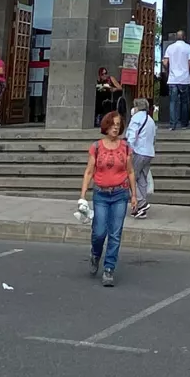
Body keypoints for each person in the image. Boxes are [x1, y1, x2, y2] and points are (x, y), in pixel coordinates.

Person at [76, 110, 141, 286]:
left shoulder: (126, 147)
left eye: (118, 125)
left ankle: (109, 269)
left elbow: (130, 171)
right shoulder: (96, 147)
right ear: (106, 125)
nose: (115, 128)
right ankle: (96, 254)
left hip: (120, 193)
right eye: (113, 124)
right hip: (101, 193)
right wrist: (82, 196)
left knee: (115, 233)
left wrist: (134, 195)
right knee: (99, 232)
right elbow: (89, 172)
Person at [124, 97, 156, 218]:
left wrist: (128, 150)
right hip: (149, 153)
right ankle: (138, 209)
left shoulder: (136, 118)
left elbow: (131, 134)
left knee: (130, 177)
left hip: (138, 151)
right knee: (142, 179)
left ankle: (141, 203)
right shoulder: (151, 120)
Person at [163, 30, 190, 130]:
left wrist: (167, 71)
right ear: (184, 37)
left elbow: (165, 62)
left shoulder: (170, 47)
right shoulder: (188, 47)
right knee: (184, 102)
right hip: (184, 78)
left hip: (173, 79)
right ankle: (184, 123)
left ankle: (173, 124)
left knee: (173, 102)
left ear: (176, 37)